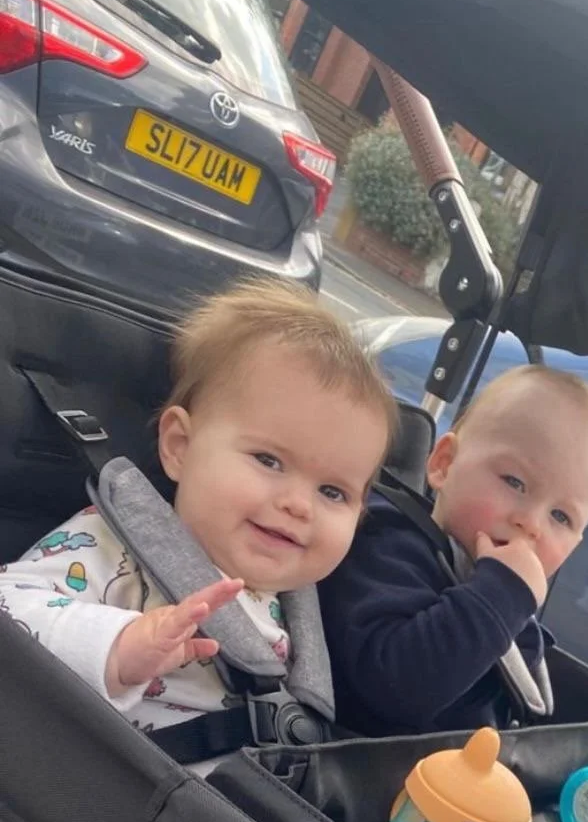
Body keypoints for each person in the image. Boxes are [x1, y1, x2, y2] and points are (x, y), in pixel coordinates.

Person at [0, 277, 395, 750]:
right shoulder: (116, 547)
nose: (298, 504)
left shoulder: (293, 604)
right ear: (180, 447)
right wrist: (118, 646)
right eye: (268, 461)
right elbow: (11, 606)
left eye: (333, 492)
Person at [319, 363, 588, 736]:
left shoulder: (502, 601)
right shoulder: (387, 547)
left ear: (575, 544)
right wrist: (502, 596)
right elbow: (398, 686)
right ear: (445, 464)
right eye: (515, 482)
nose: (532, 524)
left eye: (561, 516)